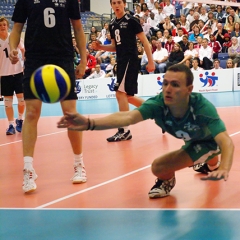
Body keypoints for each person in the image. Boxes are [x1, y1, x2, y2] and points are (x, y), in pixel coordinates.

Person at [58, 64, 234, 199]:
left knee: (162, 165)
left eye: (175, 84)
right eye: (165, 83)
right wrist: (89, 123)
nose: (168, 89)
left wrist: (225, 168)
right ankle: (198, 168)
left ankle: (211, 162)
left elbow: (225, 141)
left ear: (189, 90)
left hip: (208, 142)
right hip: (191, 140)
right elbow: (127, 118)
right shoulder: (159, 103)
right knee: (160, 168)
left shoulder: (202, 107)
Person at [9, 0, 87, 193]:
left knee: (70, 113)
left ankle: (79, 164)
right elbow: (17, 28)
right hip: (35, 58)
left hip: (63, 57)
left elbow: (77, 27)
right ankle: (28, 169)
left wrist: (83, 59)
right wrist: (13, 48)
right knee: (32, 113)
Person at [92, 0, 154, 142]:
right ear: (111, 5)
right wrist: (100, 47)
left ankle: (124, 130)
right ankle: (159, 112)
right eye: (114, 3)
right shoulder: (113, 24)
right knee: (127, 97)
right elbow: (115, 47)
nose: (116, 5)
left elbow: (144, 41)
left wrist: (150, 61)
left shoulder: (131, 20)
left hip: (130, 60)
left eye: (119, 2)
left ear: (124, 4)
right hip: (120, 61)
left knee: (120, 94)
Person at [0, 17, 25, 135]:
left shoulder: (13, 37)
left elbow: (23, 50)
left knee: (21, 99)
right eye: (0, 25)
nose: (2, 27)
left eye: (4, 25)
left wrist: (25, 63)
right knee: (8, 102)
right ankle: (10, 125)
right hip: (5, 74)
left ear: (7, 26)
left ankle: (20, 120)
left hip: (18, 72)